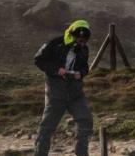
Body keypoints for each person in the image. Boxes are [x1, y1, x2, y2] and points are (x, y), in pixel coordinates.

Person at [33, 19, 93, 156]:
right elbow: (38, 60)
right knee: (47, 127)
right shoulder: (55, 43)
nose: (81, 41)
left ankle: (81, 154)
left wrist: (81, 73)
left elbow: (85, 66)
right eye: (79, 38)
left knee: (86, 121)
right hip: (56, 92)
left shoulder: (84, 49)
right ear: (73, 34)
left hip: (75, 92)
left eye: (84, 39)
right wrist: (56, 69)